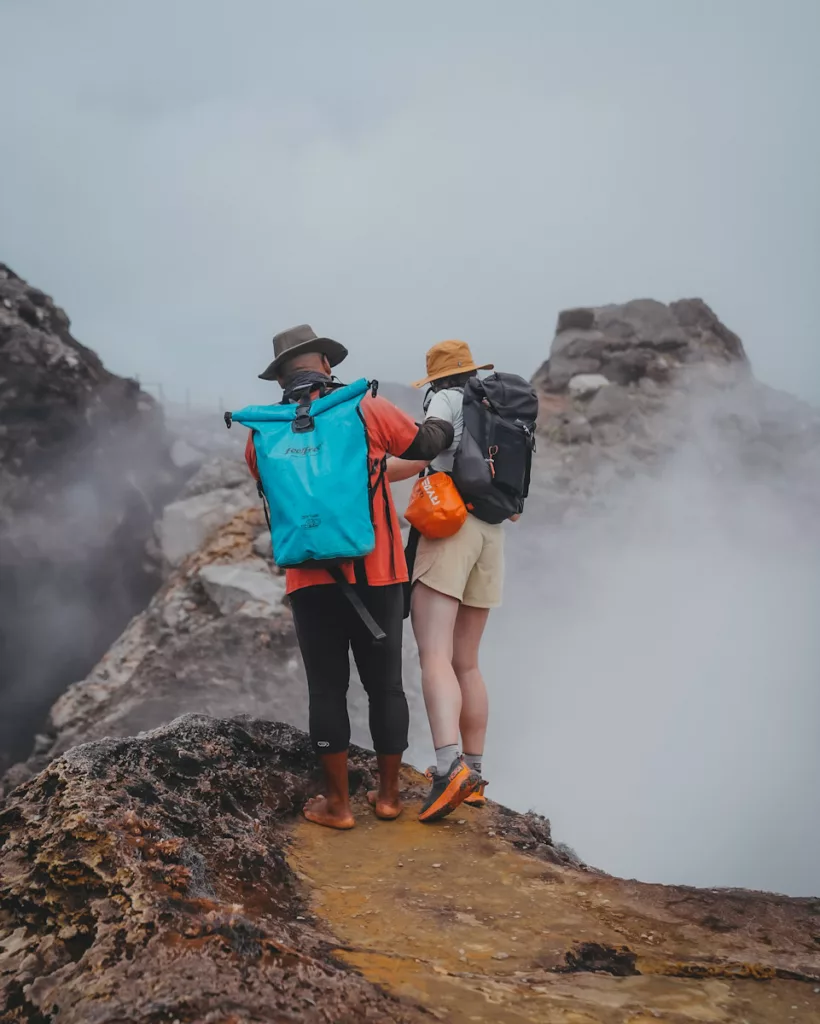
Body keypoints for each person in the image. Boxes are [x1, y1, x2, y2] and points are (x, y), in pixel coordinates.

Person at [245, 324, 453, 830]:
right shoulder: (367, 410)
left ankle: (338, 807)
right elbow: (423, 444)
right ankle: (387, 800)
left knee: (326, 691)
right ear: (326, 367)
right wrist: (446, 413)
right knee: (385, 688)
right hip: (379, 572)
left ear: (281, 379)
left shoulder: (261, 435)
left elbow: (294, 488)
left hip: (310, 582)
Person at [391, 340, 515, 823]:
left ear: (436, 377)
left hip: (450, 526)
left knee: (434, 655)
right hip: (492, 533)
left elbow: (430, 445)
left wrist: (376, 467)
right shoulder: (497, 405)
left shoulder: (448, 397)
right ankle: (476, 774)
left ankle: (449, 769)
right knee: (467, 662)